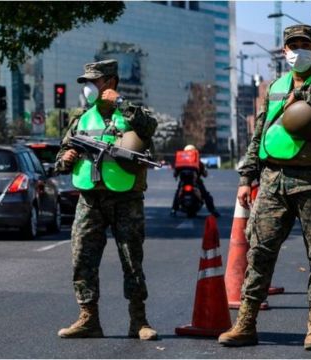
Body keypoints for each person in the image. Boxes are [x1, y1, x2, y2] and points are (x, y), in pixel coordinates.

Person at [218, 25, 311, 351]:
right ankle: (245, 324)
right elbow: (259, 134)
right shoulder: (276, 87)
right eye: (292, 45)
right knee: (258, 253)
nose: (297, 51)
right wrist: (246, 178)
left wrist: (305, 94)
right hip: (273, 180)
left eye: (304, 45)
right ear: (284, 51)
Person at [54, 59, 158, 340]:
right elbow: (61, 155)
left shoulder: (130, 112)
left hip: (126, 199)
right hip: (90, 199)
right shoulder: (81, 119)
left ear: (110, 82)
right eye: (86, 82)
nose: (88, 87)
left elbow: (150, 126)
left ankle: (139, 321)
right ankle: (88, 319)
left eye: (93, 81)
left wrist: (121, 102)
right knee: (82, 258)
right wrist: (65, 158)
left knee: (131, 260)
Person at [171, 144, 220, 218]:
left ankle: (173, 210)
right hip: (196, 182)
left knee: (177, 193)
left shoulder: (181, 162)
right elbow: (205, 174)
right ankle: (213, 210)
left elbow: (175, 174)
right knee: (206, 195)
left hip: (183, 182)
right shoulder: (198, 162)